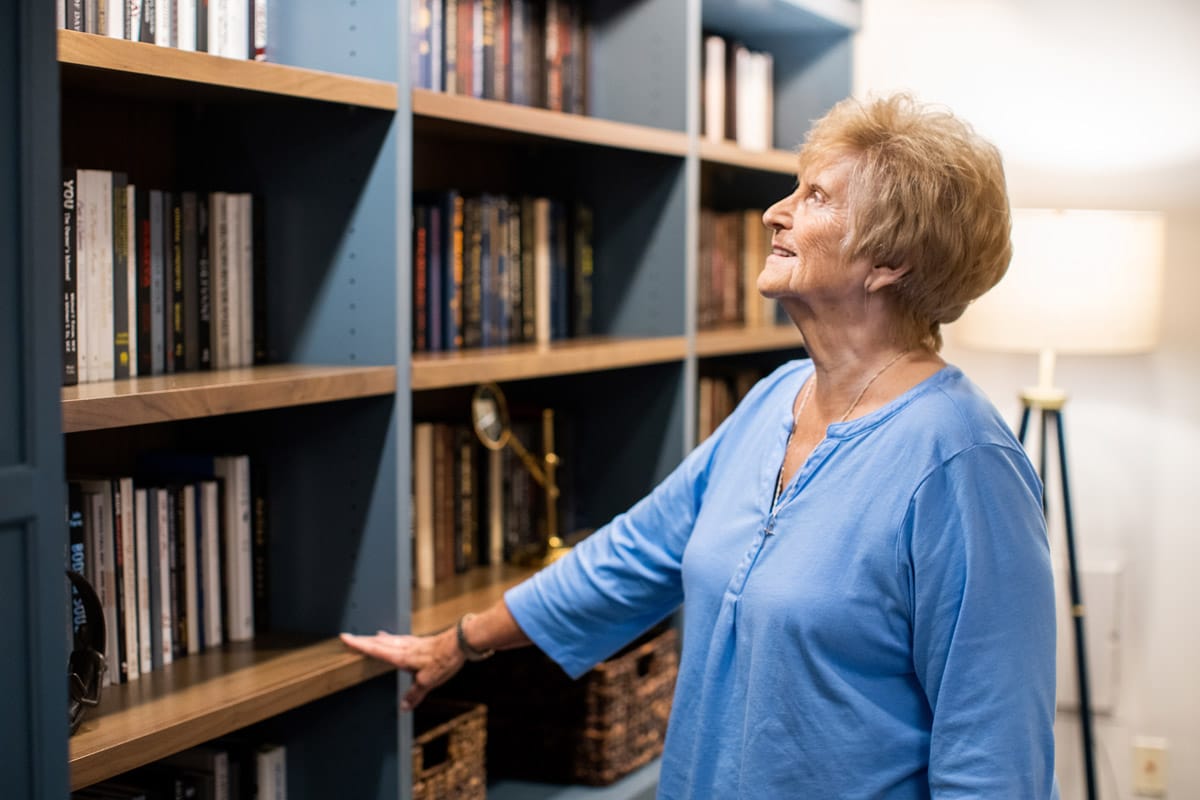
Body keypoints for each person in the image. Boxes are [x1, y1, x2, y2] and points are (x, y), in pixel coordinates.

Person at [342, 93, 1058, 798]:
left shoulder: (965, 465)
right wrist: (461, 641)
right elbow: (632, 556)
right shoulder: (776, 398)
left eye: (815, 197)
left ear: (890, 261)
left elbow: (994, 760)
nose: (775, 212)